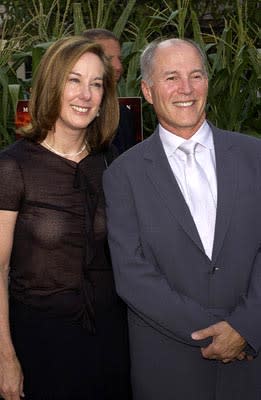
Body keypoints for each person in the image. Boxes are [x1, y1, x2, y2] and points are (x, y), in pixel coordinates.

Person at [103, 37, 261, 400]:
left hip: (252, 363)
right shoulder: (122, 174)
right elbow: (131, 274)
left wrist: (246, 327)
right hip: (170, 368)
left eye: (196, 76)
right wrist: (217, 332)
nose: (186, 89)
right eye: (171, 77)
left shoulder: (255, 157)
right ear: (147, 90)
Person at [0, 35, 131, 400]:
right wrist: (5, 358)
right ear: (51, 84)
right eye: (74, 80)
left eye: (96, 84)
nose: (85, 95)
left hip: (109, 339)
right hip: (39, 343)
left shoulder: (111, 164)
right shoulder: (13, 167)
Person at [81, 28, 137, 153]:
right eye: (108, 58)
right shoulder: (67, 116)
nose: (118, 67)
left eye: (120, 59)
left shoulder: (123, 116)